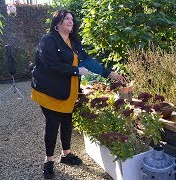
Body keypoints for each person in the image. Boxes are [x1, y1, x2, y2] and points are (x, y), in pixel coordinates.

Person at [31, 10, 125, 179]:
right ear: (57, 22)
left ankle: (66, 154)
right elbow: (50, 65)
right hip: (50, 91)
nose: (70, 21)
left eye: (72, 19)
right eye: (66, 18)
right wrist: (76, 70)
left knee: (67, 121)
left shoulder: (74, 41)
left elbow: (87, 61)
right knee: (52, 124)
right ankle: (48, 161)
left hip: (68, 90)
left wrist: (108, 73)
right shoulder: (48, 40)